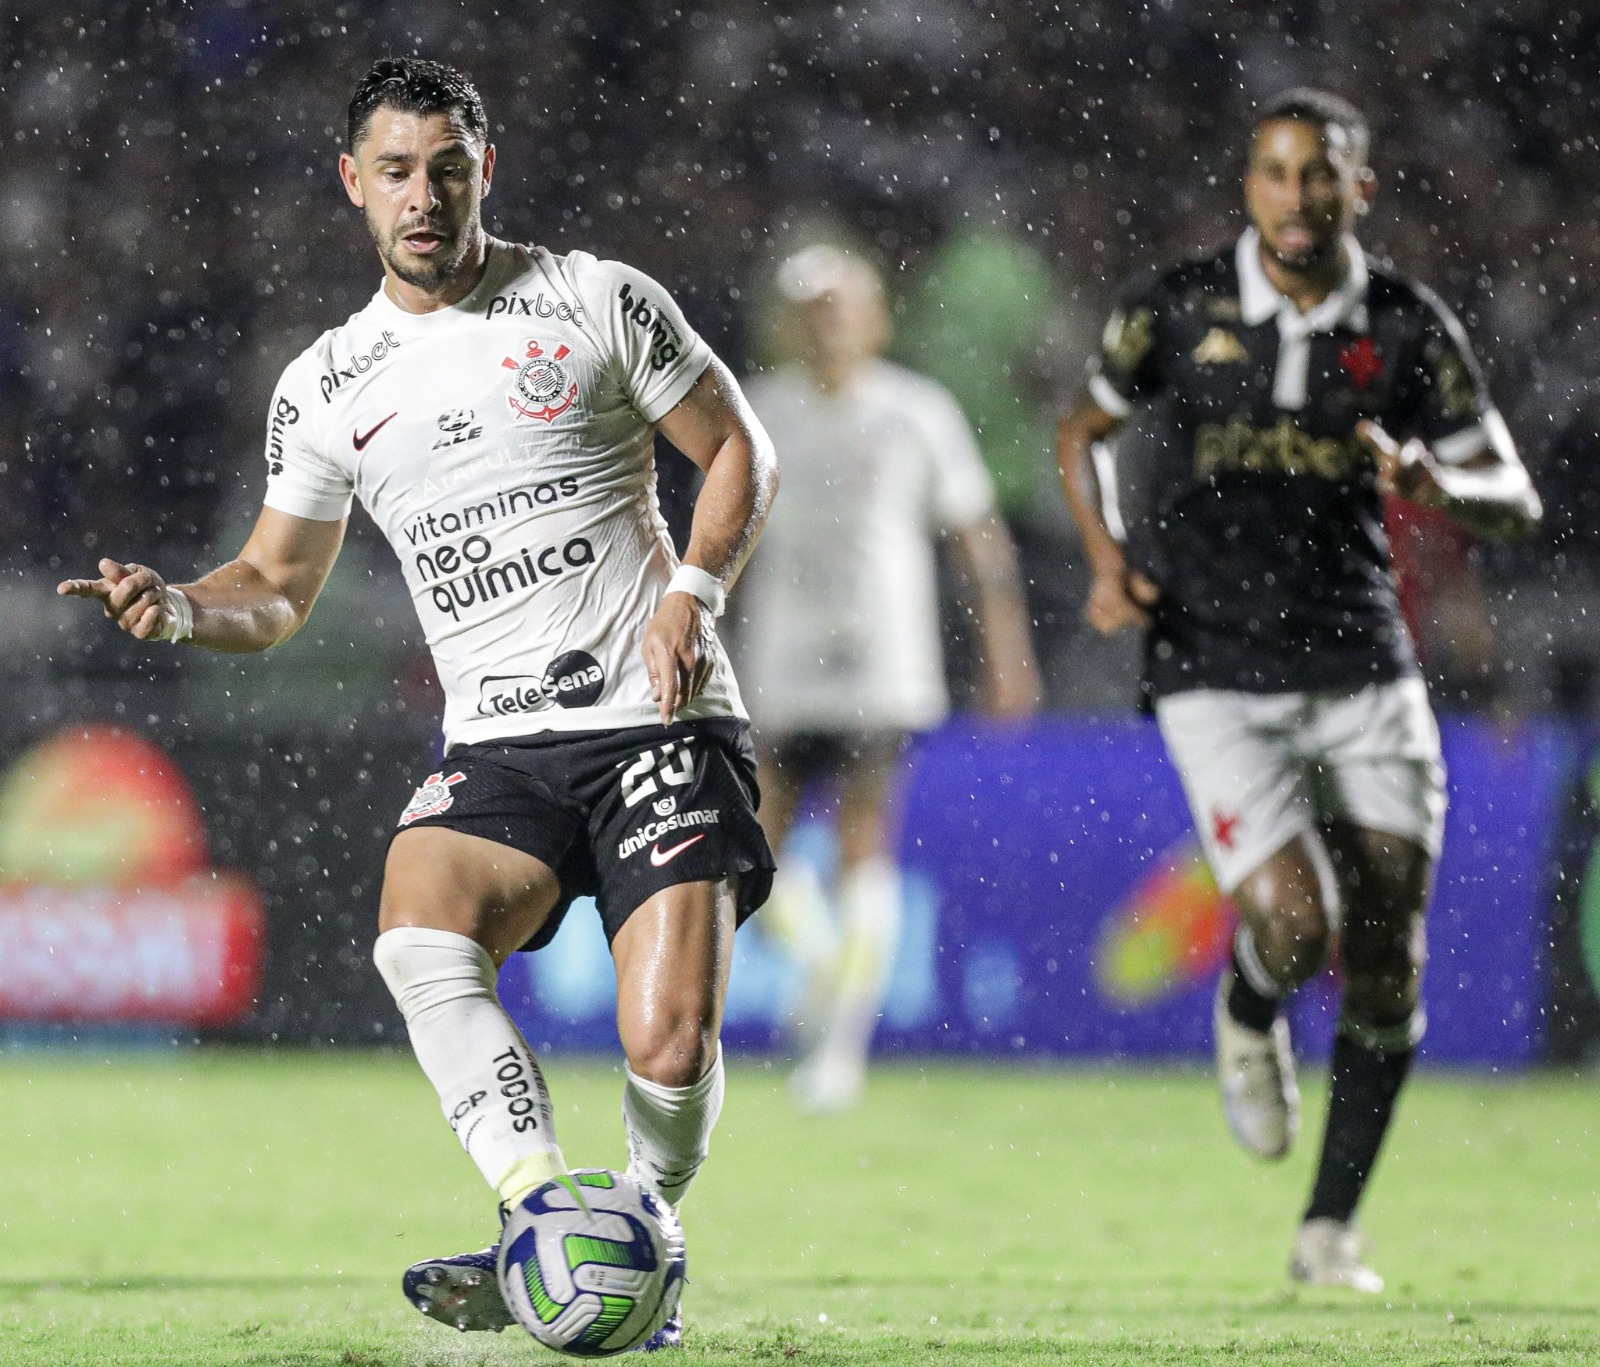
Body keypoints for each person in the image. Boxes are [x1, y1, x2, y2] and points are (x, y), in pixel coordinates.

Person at [58, 57, 778, 1347]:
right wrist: (179, 607)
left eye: (447, 170)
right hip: (498, 740)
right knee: (415, 928)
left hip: (653, 710)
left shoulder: (595, 298)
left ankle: (646, 1224)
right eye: (395, 172)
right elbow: (275, 586)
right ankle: (540, 1211)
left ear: (483, 170)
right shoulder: (327, 382)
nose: (423, 197)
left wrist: (695, 592)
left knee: (668, 1043)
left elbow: (736, 447)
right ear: (353, 183)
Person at [1056, 88, 1540, 1291]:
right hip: (1212, 664)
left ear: (1357, 187)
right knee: (1294, 921)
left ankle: (1329, 1228)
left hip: (1362, 664)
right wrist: (1107, 559)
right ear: (1249, 185)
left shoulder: (1405, 325)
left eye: (1319, 173)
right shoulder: (1176, 305)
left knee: (1390, 956)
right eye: (1274, 171)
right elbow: (1082, 432)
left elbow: (1514, 496)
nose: (1296, 195)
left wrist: (1433, 482)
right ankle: (1249, 1000)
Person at [737, 244, 1040, 1112]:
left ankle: (840, 1050)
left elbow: (977, 536)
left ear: (875, 319)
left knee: (864, 840)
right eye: (810, 311)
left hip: (882, 660)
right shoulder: (759, 410)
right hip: (781, 659)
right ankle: (826, 965)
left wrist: (1007, 653)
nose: (826, 326)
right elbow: (727, 541)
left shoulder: (916, 412)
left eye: (840, 308)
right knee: (752, 850)